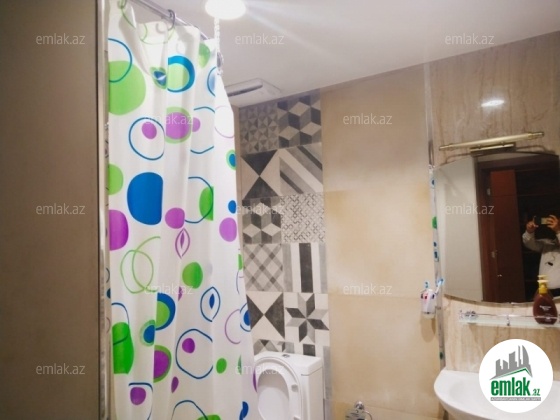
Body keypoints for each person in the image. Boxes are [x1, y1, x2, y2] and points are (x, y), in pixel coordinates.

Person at [523, 215, 560, 296]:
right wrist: (529, 232)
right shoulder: (547, 243)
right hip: (545, 290)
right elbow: (529, 244)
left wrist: (558, 231)